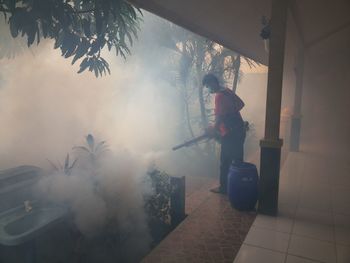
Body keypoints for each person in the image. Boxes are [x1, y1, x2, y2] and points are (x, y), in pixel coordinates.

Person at [202, 73, 246, 194]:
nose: (208, 89)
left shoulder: (219, 96)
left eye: (208, 86)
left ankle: (224, 188)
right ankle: (239, 186)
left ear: (212, 83)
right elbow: (241, 104)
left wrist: (213, 128)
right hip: (239, 129)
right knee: (238, 160)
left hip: (230, 134)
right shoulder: (227, 91)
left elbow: (219, 118)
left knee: (225, 162)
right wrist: (230, 112)